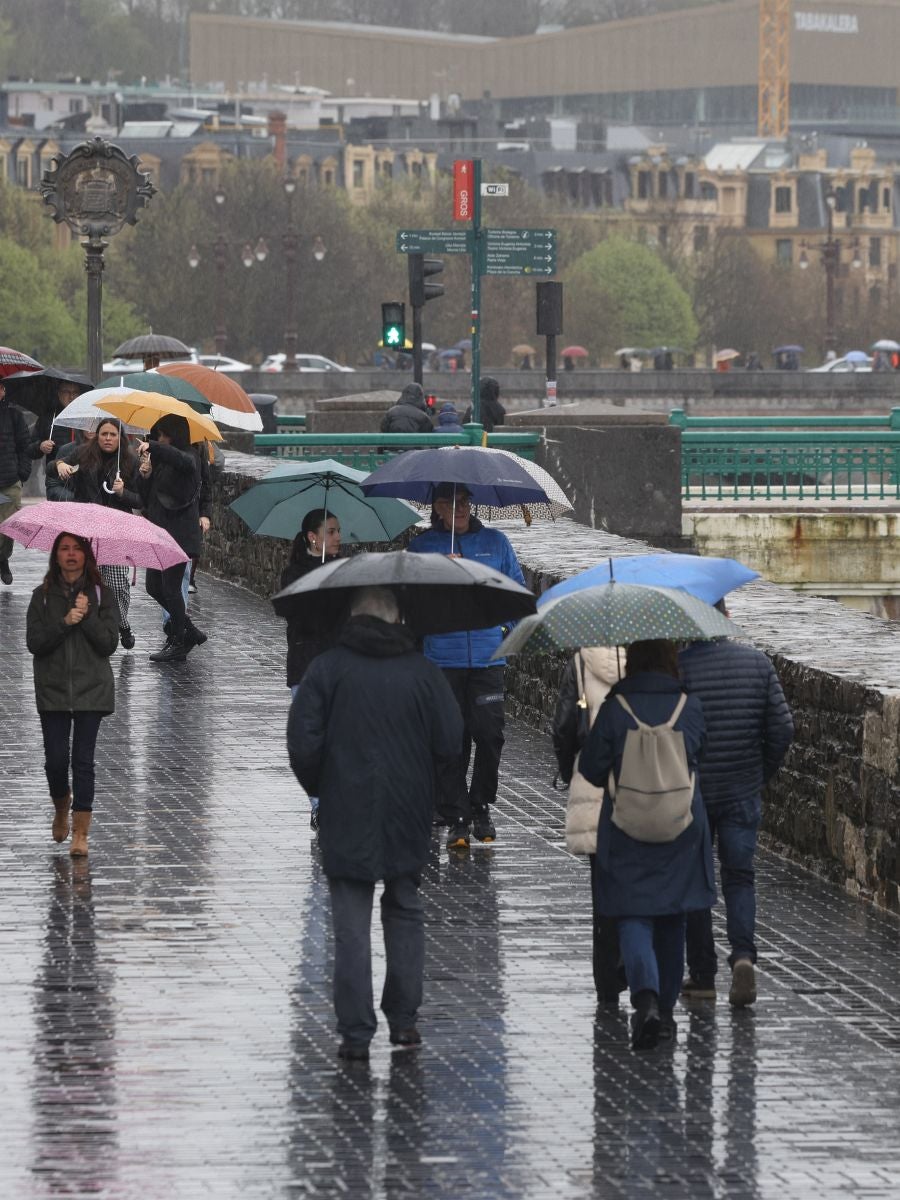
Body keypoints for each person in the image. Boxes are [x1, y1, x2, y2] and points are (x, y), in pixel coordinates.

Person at [288, 585, 463, 1062]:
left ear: (352, 617)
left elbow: (302, 743)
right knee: (405, 907)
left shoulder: (327, 669)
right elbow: (450, 742)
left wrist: (321, 785)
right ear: (396, 618)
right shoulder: (424, 672)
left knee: (350, 921)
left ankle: (355, 1032)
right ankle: (404, 1022)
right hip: (409, 807)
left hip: (345, 804)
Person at [579, 639, 716, 1050]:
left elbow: (589, 769)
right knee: (673, 917)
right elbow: (700, 753)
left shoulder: (616, 708)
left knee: (632, 915)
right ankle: (668, 1013)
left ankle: (647, 1001)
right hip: (681, 826)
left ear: (634, 661)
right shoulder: (688, 706)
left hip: (627, 826)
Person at [678, 606, 794, 1008]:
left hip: (695, 792)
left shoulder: (682, 668)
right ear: (725, 616)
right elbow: (783, 728)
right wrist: (759, 773)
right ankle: (743, 956)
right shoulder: (757, 663)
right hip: (742, 790)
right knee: (740, 877)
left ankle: (704, 975)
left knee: (697, 880)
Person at [407, 483, 526, 849]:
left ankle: (480, 804)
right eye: (450, 502)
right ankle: (456, 814)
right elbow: (410, 606)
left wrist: (504, 630)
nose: (459, 508)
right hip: (442, 658)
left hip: (489, 657)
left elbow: (517, 596)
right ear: (437, 508)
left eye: (464, 501)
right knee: (450, 740)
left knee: (490, 735)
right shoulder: (421, 548)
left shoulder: (496, 542)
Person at [26, 532, 119, 858]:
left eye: (77, 549)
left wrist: (88, 615)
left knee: (83, 761)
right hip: (52, 691)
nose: (70, 555)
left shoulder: (101, 594)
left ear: (86, 556)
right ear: (55, 555)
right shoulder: (43, 596)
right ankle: (61, 804)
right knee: (55, 761)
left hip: (91, 690)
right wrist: (67, 621)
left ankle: (81, 833)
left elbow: (109, 643)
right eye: (64, 549)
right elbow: (35, 643)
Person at [552, 645, 624, 1004]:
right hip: (643, 791)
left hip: (594, 789)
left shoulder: (581, 663)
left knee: (603, 893)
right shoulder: (653, 658)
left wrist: (570, 773)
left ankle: (607, 982)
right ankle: (640, 966)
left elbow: (564, 727)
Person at [279, 508, 342, 832]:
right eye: (330, 531)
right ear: (312, 537)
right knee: (311, 742)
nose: (337, 537)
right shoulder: (294, 574)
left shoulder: (346, 570)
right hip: (305, 669)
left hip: (339, 669)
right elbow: (291, 612)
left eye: (338, 531)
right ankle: (318, 804)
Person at [56, 419, 141, 650]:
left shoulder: (130, 460)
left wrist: (123, 492)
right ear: (97, 435)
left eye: (113, 434)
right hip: (87, 526)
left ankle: (122, 624)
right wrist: (59, 465)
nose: (107, 438)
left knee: (115, 583)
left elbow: (141, 498)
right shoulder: (83, 453)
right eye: (104, 433)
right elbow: (56, 465)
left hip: (116, 529)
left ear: (119, 437)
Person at [136, 414, 206, 664]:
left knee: (171, 588)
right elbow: (146, 496)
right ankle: (189, 631)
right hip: (158, 531)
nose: (160, 439)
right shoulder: (161, 459)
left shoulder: (191, 455)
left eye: (165, 435)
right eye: (158, 435)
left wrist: (154, 447)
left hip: (179, 534)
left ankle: (178, 640)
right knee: (153, 586)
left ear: (176, 435)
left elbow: (183, 462)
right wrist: (144, 474)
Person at [0, 377, 32, 585]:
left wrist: (22, 472)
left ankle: (3, 558)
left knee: (7, 526)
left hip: (9, 481)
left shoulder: (14, 416)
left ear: (3, 390)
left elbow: (25, 446)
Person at [28, 380, 82, 467]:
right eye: (66, 392)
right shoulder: (48, 418)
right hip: (54, 474)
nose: (71, 397)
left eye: (75, 392)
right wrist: (40, 446)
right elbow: (29, 450)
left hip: (81, 473)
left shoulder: (87, 416)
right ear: (59, 394)